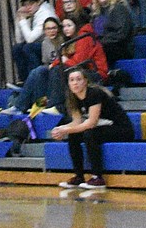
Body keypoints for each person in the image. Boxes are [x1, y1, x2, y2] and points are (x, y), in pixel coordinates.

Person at [48, 66, 134, 196]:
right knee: (74, 135)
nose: (75, 82)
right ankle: (78, 176)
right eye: (71, 80)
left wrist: (66, 130)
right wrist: (62, 129)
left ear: (85, 81)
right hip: (104, 127)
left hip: (122, 129)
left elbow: (91, 122)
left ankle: (97, 178)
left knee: (90, 133)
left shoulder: (94, 93)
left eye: (78, 79)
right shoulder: (73, 98)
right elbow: (77, 122)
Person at [6, 16, 62, 112]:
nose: (51, 31)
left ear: (58, 29)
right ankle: (36, 106)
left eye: (54, 28)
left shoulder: (62, 40)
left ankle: (19, 106)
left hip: (60, 70)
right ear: (44, 31)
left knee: (38, 71)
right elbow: (46, 62)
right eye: (48, 29)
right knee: (38, 74)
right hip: (51, 69)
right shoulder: (45, 42)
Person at [11, 0, 57, 82]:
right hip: (41, 44)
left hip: (53, 46)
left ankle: (35, 80)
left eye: (31, 3)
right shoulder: (33, 13)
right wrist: (19, 19)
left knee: (29, 48)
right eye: (25, 4)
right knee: (17, 48)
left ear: (38, 2)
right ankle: (24, 80)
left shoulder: (45, 13)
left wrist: (23, 20)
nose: (28, 7)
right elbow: (19, 40)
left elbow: (30, 39)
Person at [90, 0, 135, 67]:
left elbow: (122, 34)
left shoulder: (119, 8)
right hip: (105, 46)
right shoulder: (99, 14)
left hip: (121, 47)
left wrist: (101, 42)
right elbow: (98, 34)